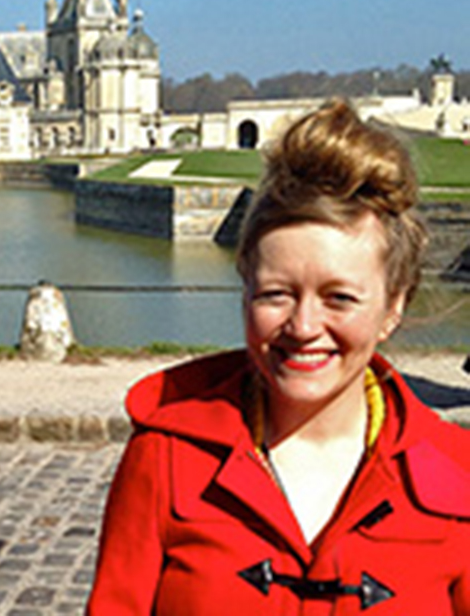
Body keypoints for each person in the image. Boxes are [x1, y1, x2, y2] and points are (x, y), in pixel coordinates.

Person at [86, 99, 470, 615]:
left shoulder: (459, 474)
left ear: (394, 305)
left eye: (340, 297)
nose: (304, 328)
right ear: (244, 287)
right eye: (276, 294)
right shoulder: (164, 458)